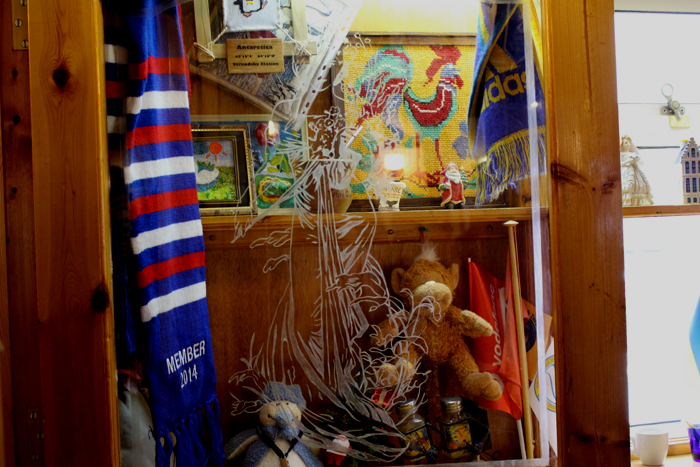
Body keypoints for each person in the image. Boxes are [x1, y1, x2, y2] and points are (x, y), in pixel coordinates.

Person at [620, 135, 653, 206]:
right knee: (627, 185)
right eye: (626, 143)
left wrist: (634, 162)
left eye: (628, 142)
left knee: (639, 185)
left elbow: (638, 163)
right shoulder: (621, 154)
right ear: (622, 144)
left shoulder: (633, 153)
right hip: (625, 172)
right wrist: (627, 161)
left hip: (635, 171)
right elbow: (619, 164)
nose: (628, 144)